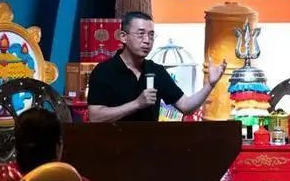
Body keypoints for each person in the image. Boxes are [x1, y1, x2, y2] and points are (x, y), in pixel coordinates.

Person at [87, 11, 227, 122]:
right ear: (123, 37)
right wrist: (137, 104)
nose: (147, 40)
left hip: (150, 145)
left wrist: (210, 84)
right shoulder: (104, 71)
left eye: (151, 35)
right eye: (141, 34)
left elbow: (186, 106)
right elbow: (95, 116)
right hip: (114, 145)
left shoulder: (156, 71)